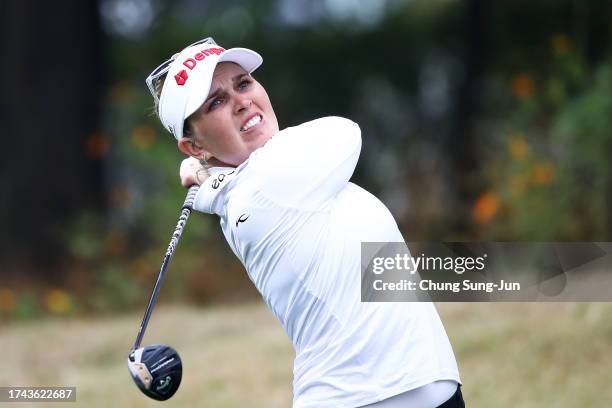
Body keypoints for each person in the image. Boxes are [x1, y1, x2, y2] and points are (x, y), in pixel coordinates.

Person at [146, 37, 464, 408]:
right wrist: (209, 179)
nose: (241, 101)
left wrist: (207, 177)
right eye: (216, 102)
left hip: (407, 390)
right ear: (194, 147)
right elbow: (346, 131)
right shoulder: (266, 185)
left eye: (243, 83)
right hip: (369, 397)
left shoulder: (250, 187)